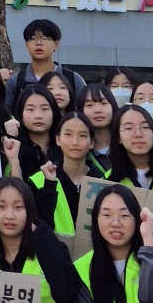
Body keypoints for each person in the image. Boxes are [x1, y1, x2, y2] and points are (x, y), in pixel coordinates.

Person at [26, 108, 101, 238]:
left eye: (82, 136)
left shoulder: (103, 180)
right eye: (68, 134)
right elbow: (39, 226)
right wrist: (49, 186)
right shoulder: (39, 181)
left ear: (92, 142)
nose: (75, 142)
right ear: (58, 139)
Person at [2, 18, 86, 114]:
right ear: (26, 44)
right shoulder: (15, 82)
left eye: (45, 38)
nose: (38, 43)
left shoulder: (73, 79)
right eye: (33, 38)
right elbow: (6, 115)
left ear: (56, 44)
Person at [9, 81, 62, 182]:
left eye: (45, 109)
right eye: (30, 109)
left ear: (54, 112)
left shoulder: (65, 147)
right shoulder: (14, 149)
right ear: (21, 114)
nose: (38, 115)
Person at [79, 83, 118, 169]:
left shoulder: (125, 144)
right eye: (89, 105)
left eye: (104, 103)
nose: (97, 110)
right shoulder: (78, 149)